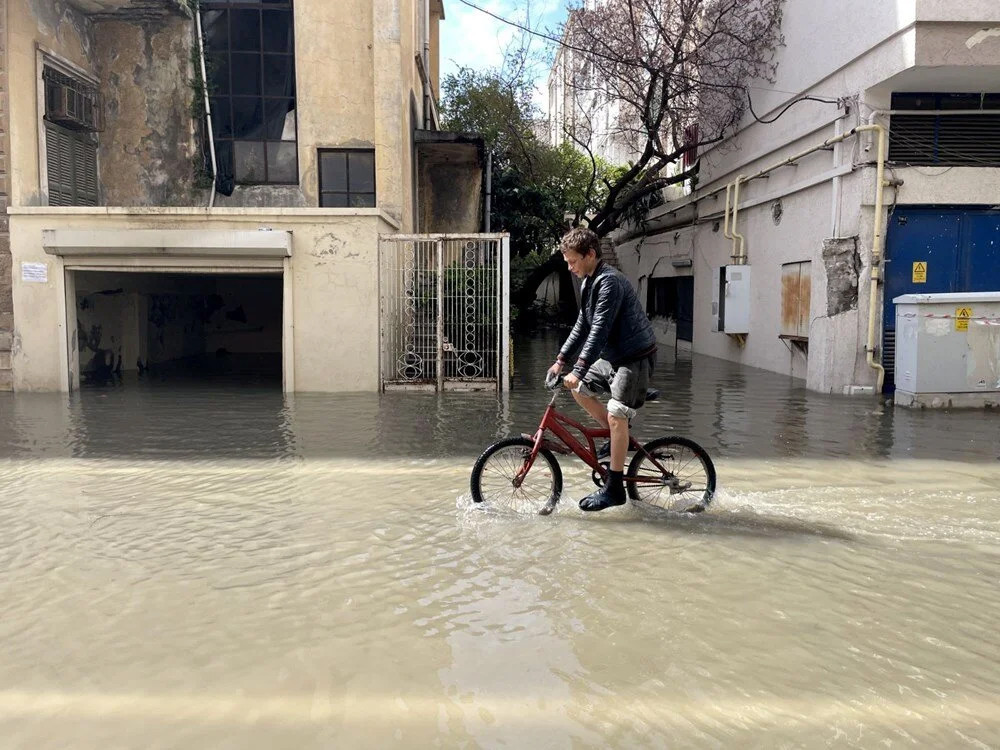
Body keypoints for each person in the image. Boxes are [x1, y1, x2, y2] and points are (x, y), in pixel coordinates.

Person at [546, 227, 657, 511]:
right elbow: (582, 325)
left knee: (616, 414)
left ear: (591, 254)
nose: (570, 268)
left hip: (634, 359)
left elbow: (598, 331)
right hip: (613, 358)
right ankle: (615, 437)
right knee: (580, 391)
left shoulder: (610, 283)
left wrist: (578, 369)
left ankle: (615, 488)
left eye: (573, 261)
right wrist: (561, 360)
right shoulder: (588, 283)